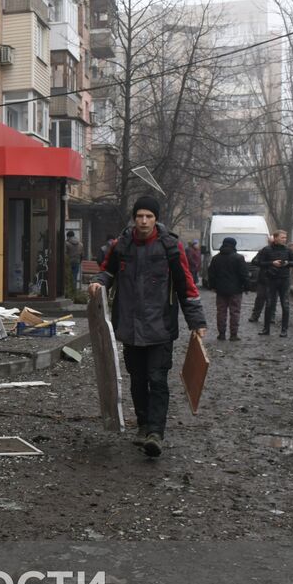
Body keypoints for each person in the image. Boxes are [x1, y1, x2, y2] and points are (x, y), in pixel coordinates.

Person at [89, 195, 207, 458]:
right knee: (138, 380)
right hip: (129, 326)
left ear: (156, 219)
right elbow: (106, 272)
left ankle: (155, 433)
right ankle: (143, 424)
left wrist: (196, 321)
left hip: (160, 327)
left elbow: (187, 286)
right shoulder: (122, 246)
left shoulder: (171, 247)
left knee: (157, 378)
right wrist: (98, 283)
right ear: (134, 218)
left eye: (149, 216)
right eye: (139, 216)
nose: (143, 221)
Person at [206, 237, 250, 342]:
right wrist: (247, 287)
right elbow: (244, 274)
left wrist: (212, 286)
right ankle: (233, 335)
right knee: (235, 312)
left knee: (221, 312)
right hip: (236, 290)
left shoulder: (216, 258)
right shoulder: (239, 258)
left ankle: (221, 334)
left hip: (220, 290)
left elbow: (211, 274)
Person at [254, 230, 293, 337]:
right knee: (269, 304)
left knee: (285, 304)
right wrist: (271, 263)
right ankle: (266, 329)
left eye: (285, 237)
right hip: (271, 279)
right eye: (282, 237)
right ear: (276, 238)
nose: (284, 239)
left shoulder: (288, 250)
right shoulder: (266, 250)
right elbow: (257, 262)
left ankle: (284, 330)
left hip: (284, 279)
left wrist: (287, 263)